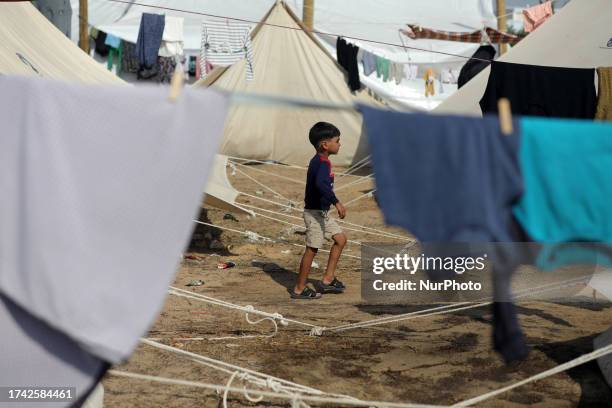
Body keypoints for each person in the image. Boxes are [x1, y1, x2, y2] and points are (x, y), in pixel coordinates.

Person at [291, 122, 348, 299]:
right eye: (337, 141)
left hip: (322, 213)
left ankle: (328, 279)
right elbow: (321, 184)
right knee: (312, 249)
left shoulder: (321, 161)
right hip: (314, 214)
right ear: (325, 144)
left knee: (340, 239)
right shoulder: (322, 163)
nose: (340, 144)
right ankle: (299, 289)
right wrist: (336, 202)